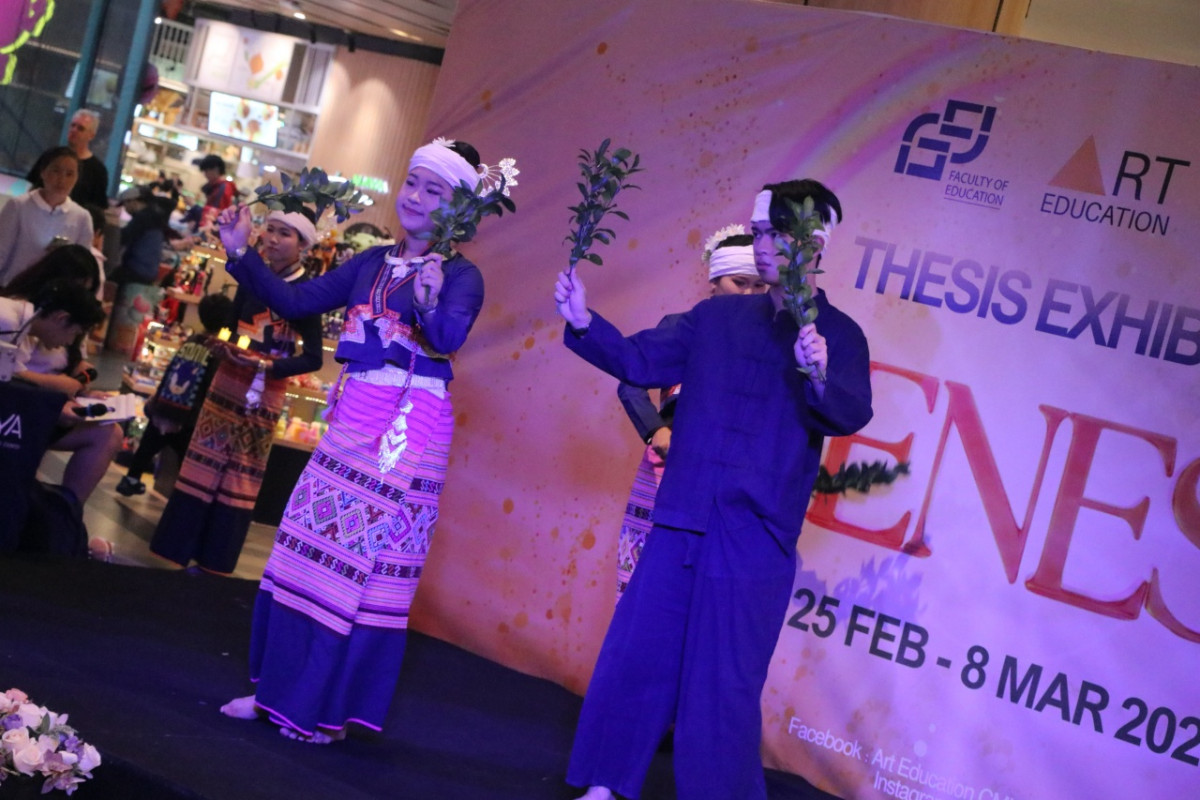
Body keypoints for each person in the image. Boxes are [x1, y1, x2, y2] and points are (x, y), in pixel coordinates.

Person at [554, 179, 873, 800]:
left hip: (756, 535)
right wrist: (584, 322)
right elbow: (641, 361)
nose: (763, 245)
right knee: (637, 655)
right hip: (682, 516)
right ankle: (604, 783)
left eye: (777, 233)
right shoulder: (715, 317)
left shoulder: (840, 335)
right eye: (758, 232)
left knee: (724, 685)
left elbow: (848, 412)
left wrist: (819, 372)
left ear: (814, 244)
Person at [215, 137, 505, 744]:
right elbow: (297, 299)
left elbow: (448, 339)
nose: (415, 197)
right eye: (413, 182)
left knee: (360, 571)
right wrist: (240, 252)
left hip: (407, 428)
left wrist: (428, 301)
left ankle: (323, 713)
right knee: (303, 550)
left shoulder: (461, 275)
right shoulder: (372, 261)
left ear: (459, 207)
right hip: (352, 417)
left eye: (434, 189)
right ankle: (274, 693)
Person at [148, 209, 324, 574]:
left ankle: (215, 561)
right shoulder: (251, 274)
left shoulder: (307, 292)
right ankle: (175, 550)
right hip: (227, 380)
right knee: (201, 461)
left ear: (304, 244)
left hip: (264, 391)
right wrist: (223, 346)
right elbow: (231, 326)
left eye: (285, 234)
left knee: (241, 474)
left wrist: (269, 367)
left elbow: (313, 358)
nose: (273, 239)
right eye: (270, 229)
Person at [614, 225, 765, 599]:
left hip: (729, 477)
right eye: (739, 283)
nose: (749, 294)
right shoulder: (682, 327)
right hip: (668, 462)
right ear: (714, 280)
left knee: (704, 587)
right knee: (639, 576)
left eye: (759, 286)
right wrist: (656, 430)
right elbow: (631, 380)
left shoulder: (770, 343)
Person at [0, 279, 114, 508]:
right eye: (74, 333)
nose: (69, 342)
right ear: (61, 318)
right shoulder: (8, 321)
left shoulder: (20, 323)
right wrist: (56, 402)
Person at [115, 292, 234, 497]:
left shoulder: (191, 341)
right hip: (189, 416)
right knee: (185, 458)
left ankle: (131, 478)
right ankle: (183, 494)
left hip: (166, 405)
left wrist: (157, 399)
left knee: (148, 445)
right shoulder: (217, 351)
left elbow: (171, 370)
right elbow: (211, 384)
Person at [0, 147, 94, 287]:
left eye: (69, 174)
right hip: (12, 288)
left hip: (53, 293)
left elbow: (82, 267)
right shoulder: (18, 206)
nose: (62, 179)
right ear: (43, 172)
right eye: (56, 171)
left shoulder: (82, 217)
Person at [25, 110, 110, 210]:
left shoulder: (98, 171)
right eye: (73, 125)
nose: (74, 130)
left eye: (80, 128)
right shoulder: (51, 156)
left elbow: (97, 208)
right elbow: (34, 188)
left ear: (91, 135)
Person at [195, 154, 236, 230]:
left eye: (206, 171)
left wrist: (195, 206)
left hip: (210, 228)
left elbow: (217, 213)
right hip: (208, 226)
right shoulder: (217, 186)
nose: (205, 175)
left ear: (215, 169)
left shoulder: (224, 187)